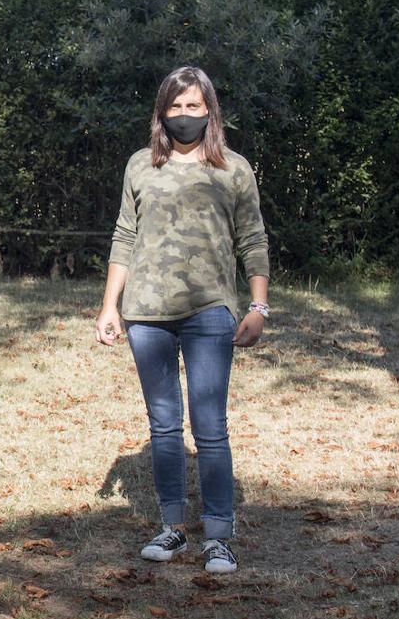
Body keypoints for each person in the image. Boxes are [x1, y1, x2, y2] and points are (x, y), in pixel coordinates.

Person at [94, 65, 270, 575]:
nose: (184, 115)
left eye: (194, 106)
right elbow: (124, 236)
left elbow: (253, 239)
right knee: (164, 425)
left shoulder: (234, 168)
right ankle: (171, 528)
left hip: (210, 313)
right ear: (162, 112)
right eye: (176, 106)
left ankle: (218, 535)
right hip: (147, 315)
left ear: (209, 110)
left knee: (210, 427)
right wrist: (110, 306)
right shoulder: (139, 166)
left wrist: (258, 307)